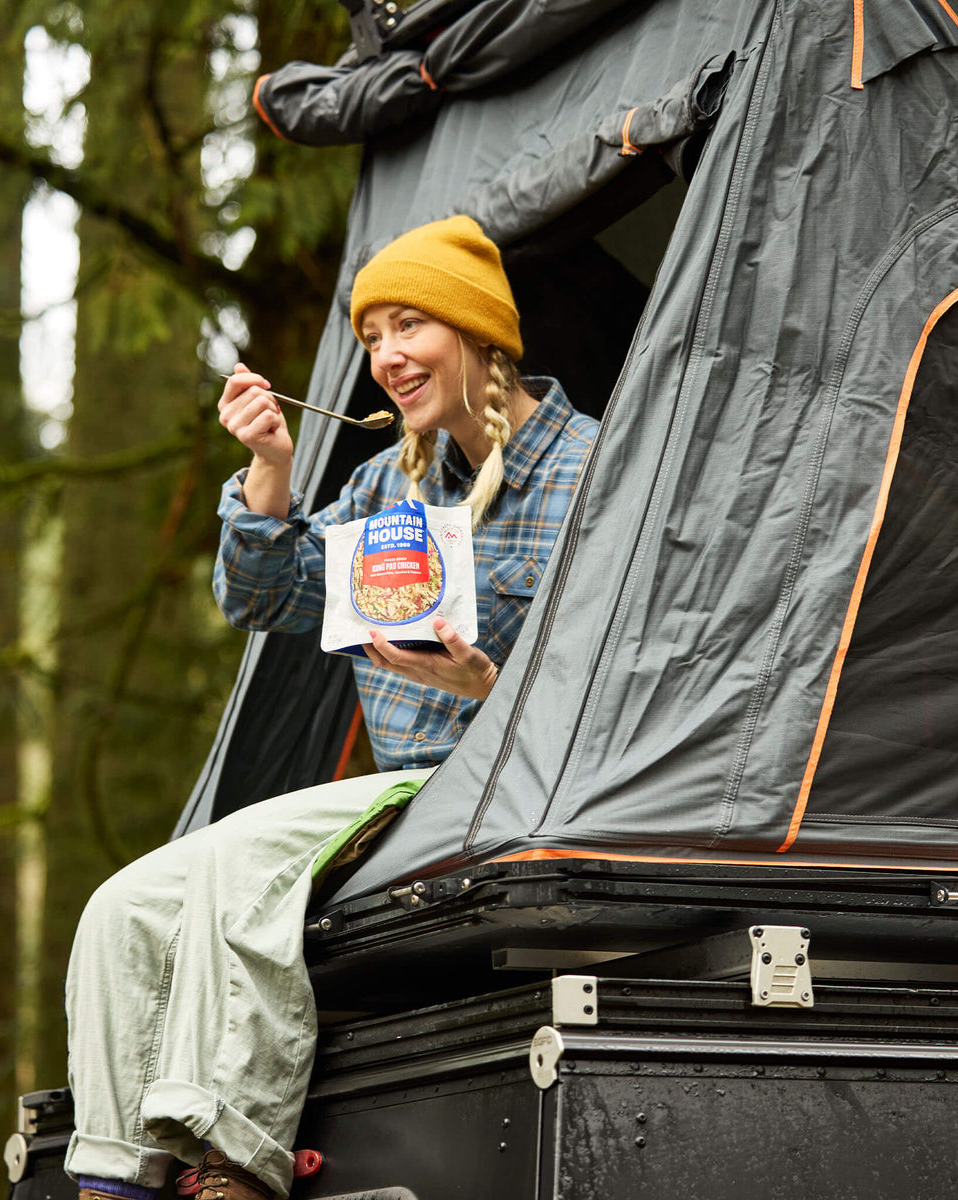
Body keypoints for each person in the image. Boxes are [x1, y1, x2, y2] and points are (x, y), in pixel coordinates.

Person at [63, 216, 599, 1200]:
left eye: (409, 326)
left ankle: (234, 1172)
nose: (387, 356)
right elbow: (263, 598)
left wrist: (487, 689)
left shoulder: (596, 473)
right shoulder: (378, 484)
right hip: (403, 793)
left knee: (233, 866)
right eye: (370, 338)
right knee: (119, 909)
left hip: (519, 786)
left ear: (482, 332)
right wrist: (270, 469)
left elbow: (631, 683)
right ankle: (112, 1185)